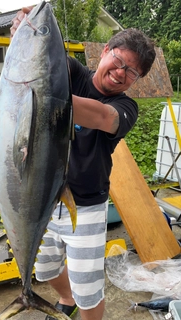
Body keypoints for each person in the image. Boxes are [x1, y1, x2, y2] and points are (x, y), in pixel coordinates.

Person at [10, 6, 156, 320]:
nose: (121, 74)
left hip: (87, 207)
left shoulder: (125, 106)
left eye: (132, 73)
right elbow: (42, 61)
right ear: (104, 51)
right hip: (44, 199)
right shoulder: (73, 73)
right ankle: (66, 298)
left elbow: (103, 117)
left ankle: (80, 302)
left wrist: (41, 89)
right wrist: (26, 37)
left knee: (89, 290)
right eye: (119, 62)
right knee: (45, 270)